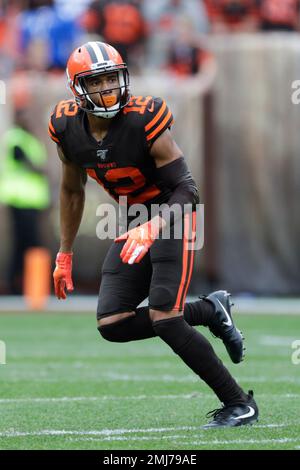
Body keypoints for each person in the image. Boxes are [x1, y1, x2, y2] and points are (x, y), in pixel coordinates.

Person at [49, 40, 259, 428]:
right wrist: (64, 253)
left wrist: (154, 225)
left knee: (165, 317)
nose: (108, 89)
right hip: (135, 219)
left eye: (113, 78)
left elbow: (188, 188)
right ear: (77, 89)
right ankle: (210, 310)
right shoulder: (65, 126)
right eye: (97, 82)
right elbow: (71, 189)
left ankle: (238, 403)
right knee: (112, 323)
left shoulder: (144, 116)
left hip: (173, 214)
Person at [0, 107, 49, 294]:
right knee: (28, 243)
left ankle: (24, 285)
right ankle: (21, 286)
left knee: (25, 244)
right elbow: (27, 163)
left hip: (30, 201)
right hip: (20, 200)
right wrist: (42, 170)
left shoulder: (28, 139)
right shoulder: (15, 138)